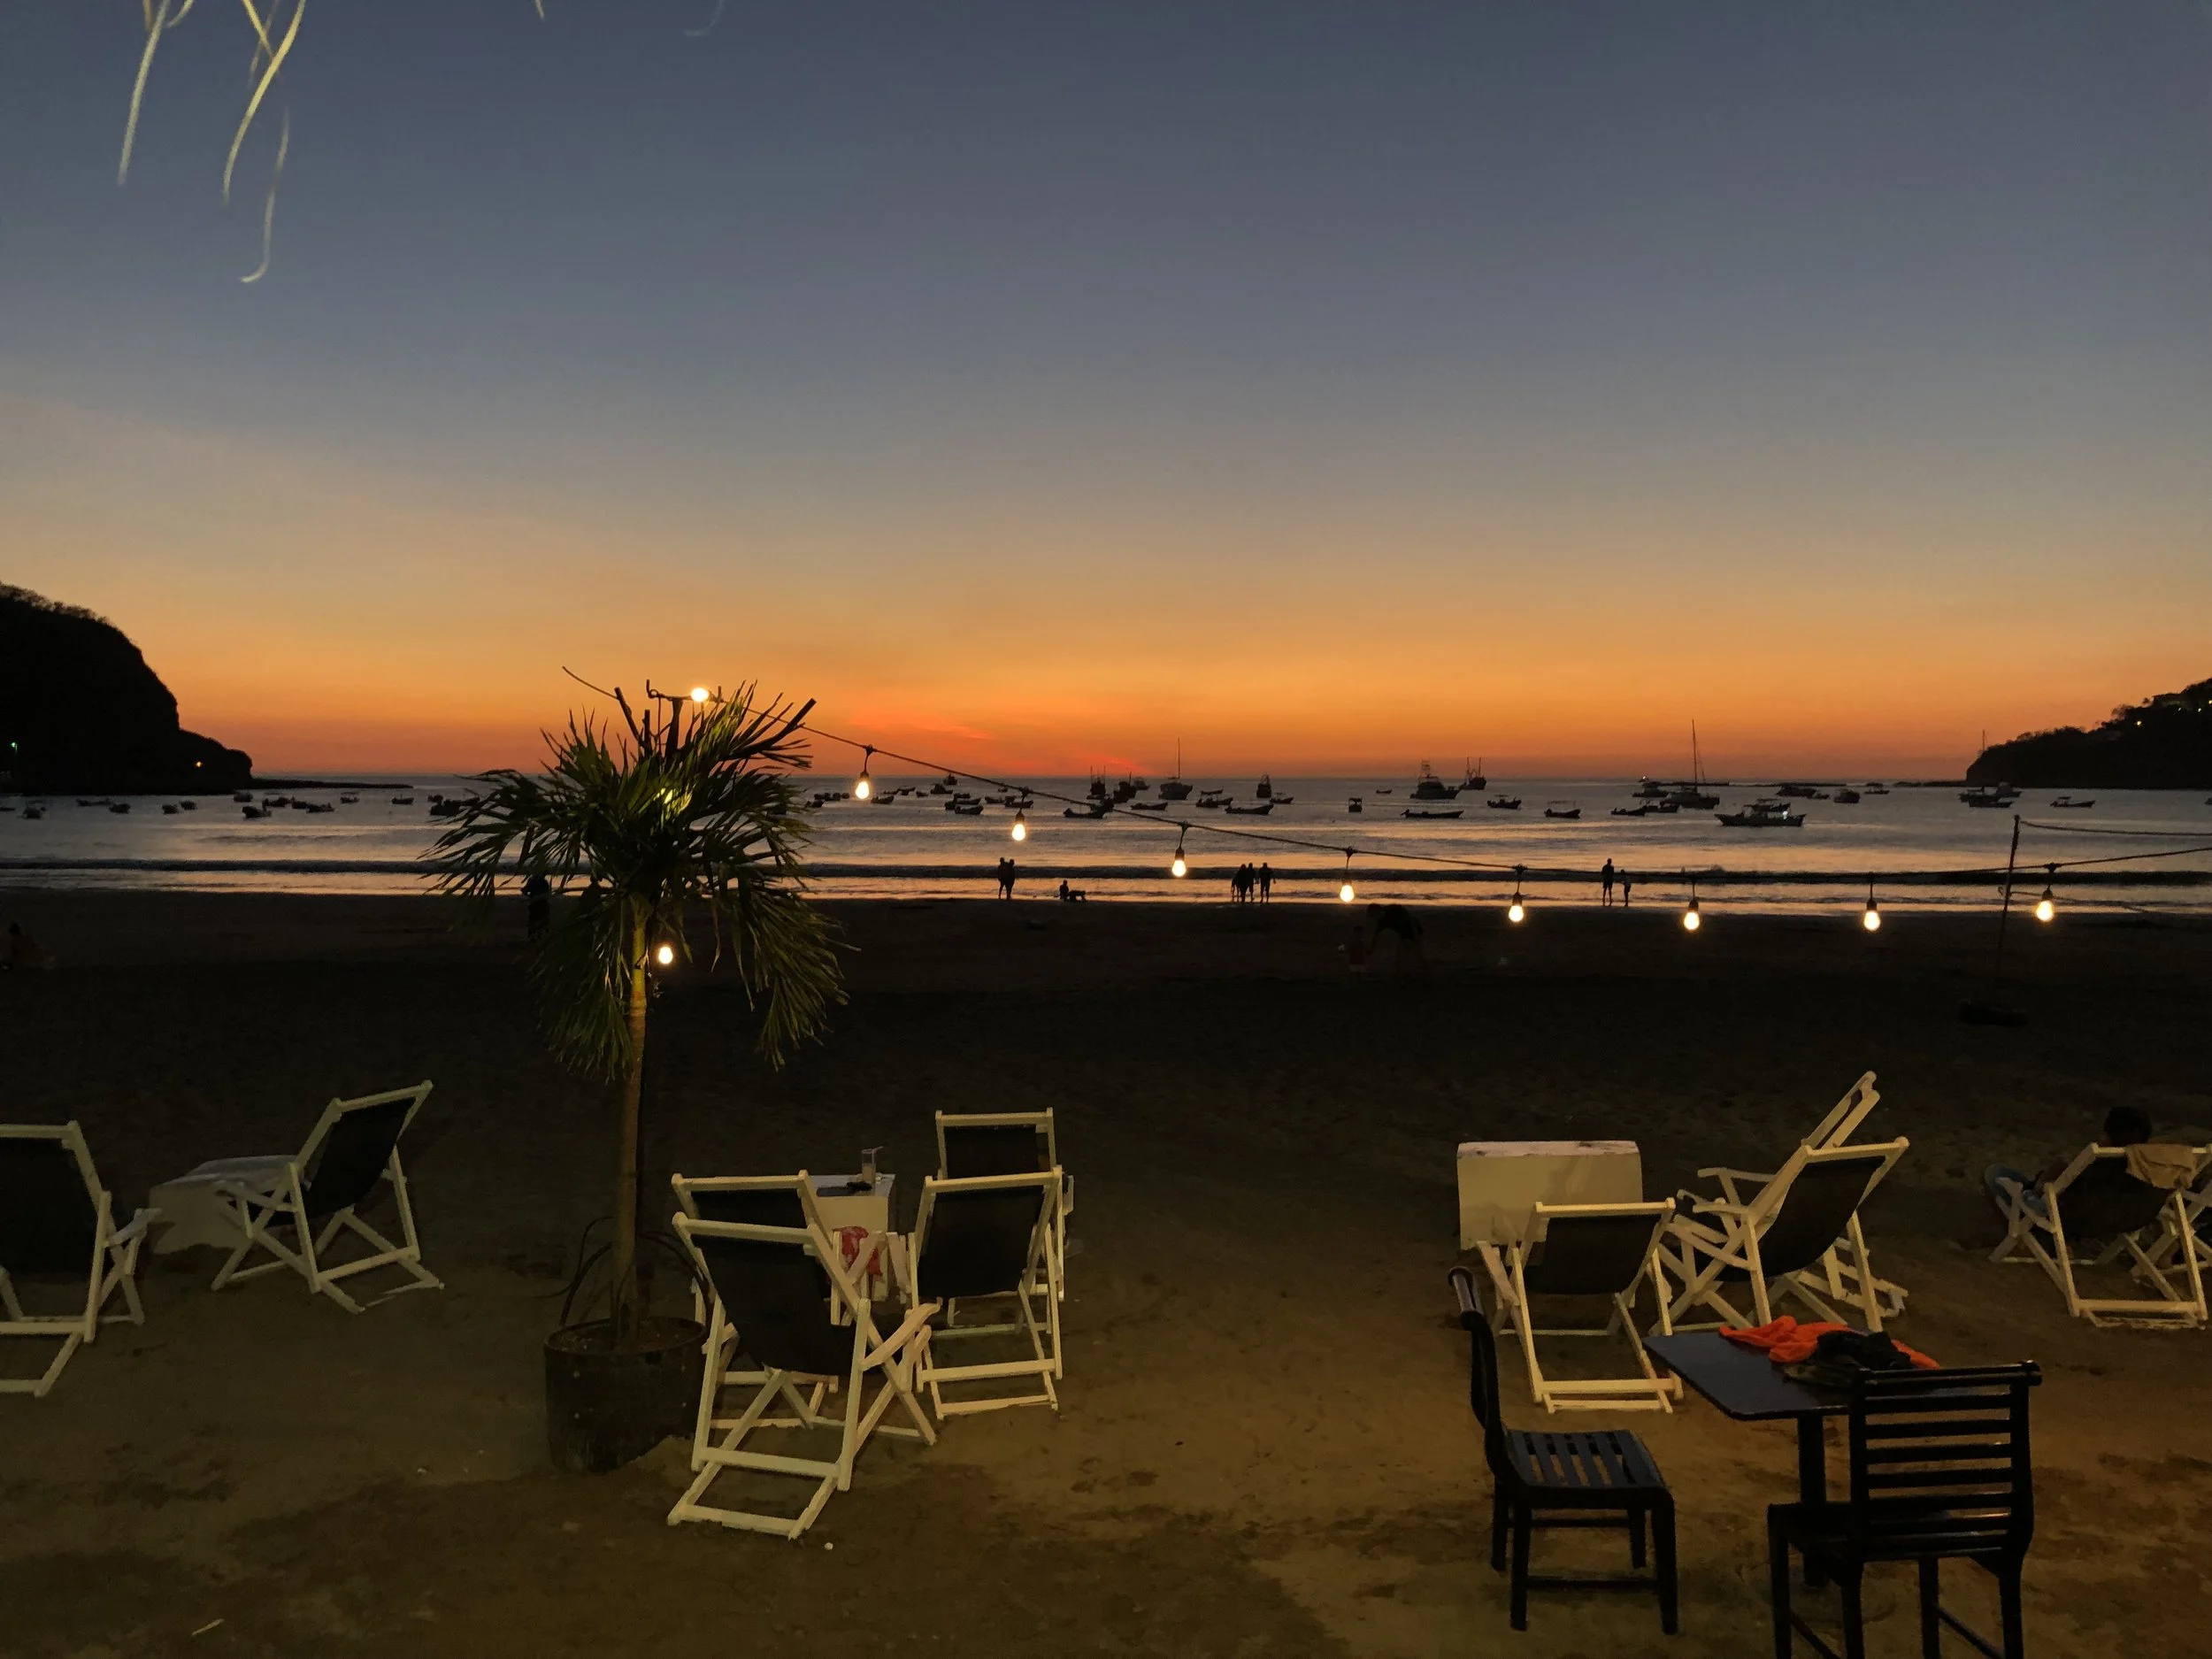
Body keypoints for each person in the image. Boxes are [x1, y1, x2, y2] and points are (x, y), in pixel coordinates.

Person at [1985, 1104, 2153, 1219]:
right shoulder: (2147, 1168)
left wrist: (2045, 1179)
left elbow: (2052, 1193)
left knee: (1995, 1173)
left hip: (2063, 1214)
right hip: (2111, 1220)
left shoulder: (2099, 1163)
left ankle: (2018, 1236)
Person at [1364, 901, 1426, 976]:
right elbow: (1376, 935)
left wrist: (1416, 936)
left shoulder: (1393, 909)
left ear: (1378, 912)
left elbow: (1411, 920)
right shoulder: (1381, 921)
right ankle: (1406, 974)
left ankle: (1424, 972)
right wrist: (1372, 948)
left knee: (1416, 955)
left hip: (1415, 930)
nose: (1374, 918)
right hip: (1403, 935)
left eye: (1373, 915)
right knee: (1402, 957)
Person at [523, 872, 552, 941]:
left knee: (533, 920)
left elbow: (525, 891)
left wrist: (529, 895)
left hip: (534, 903)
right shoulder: (544, 882)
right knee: (543, 919)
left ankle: (531, 937)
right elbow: (547, 892)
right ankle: (540, 936)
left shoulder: (532, 881)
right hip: (542, 903)